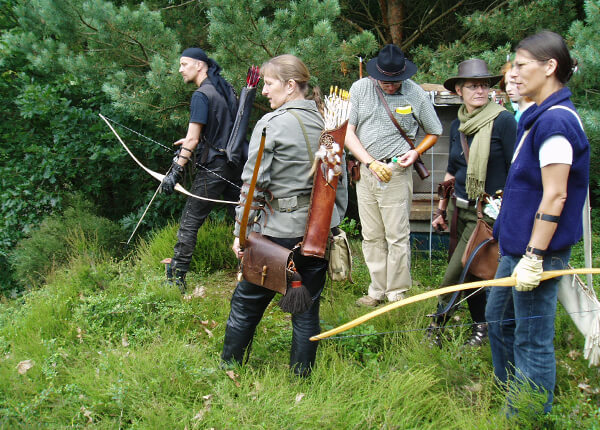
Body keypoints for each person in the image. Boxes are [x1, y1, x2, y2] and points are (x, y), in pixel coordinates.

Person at [221, 54, 347, 377]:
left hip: (276, 237)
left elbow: (252, 188)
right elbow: (339, 185)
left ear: (291, 86)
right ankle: (301, 380)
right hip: (316, 236)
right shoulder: (330, 123)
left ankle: (229, 371)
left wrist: (241, 233)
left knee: (246, 305)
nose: (264, 91)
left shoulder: (271, 124)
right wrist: (331, 224)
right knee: (305, 313)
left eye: (270, 83)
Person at [486, 31, 589, 414]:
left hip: (536, 252)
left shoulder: (557, 123)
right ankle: (510, 395)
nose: (515, 72)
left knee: (531, 336)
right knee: (499, 320)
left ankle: (526, 415)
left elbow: (556, 195)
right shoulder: (538, 116)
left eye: (522, 64)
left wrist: (534, 255)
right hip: (517, 246)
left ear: (550, 67)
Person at [345, 44, 442, 307]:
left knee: (396, 234)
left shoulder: (416, 94)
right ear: (376, 74)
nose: (391, 85)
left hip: (397, 172)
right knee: (371, 234)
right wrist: (369, 162)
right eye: (386, 81)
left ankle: (396, 290)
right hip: (365, 172)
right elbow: (347, 132)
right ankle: (376, 289)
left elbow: (435, 131)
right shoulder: (360, 89)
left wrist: (415, 152)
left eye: (396, 81)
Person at [428, 59, 517, 346]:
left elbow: (517, 168)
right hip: (459, 209)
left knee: (458, 272)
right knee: (473, 273)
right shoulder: (458, 124)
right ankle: (481, 328)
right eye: (472, 85)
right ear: (459, 89)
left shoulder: (503, 120)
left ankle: (436, 326)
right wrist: (441, 209)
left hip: (487, 213)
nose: (480, 90)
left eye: (484, 85)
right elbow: (453, 170)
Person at [161, 47, 241, 292]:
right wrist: (191, 140)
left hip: (214, 167)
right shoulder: (224, 88)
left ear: (199, 65)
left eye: (184, 64)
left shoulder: (201, 95)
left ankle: (176, 279)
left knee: (190, 220)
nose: (180, 69)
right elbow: (217, 130)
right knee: (244, 218)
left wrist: (175, 170)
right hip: (235, 164)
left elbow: (193, 139)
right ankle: (254, 273)